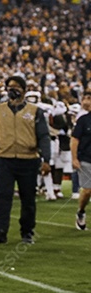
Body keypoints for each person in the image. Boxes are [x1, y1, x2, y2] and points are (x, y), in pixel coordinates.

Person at [0, 75, 51, 244]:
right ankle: (1, 230)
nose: (12, 89)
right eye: (10, 86)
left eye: (16, 87)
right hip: (4, 159)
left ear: (24, 91)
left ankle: (27, 231)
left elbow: (44, 136)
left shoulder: (35, 111)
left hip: (28, 159)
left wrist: (46, 159)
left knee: (28, 198)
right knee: (3, 196)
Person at [71, 92, 91, 230]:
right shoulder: (84, 120)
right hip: (86, 158)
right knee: (88, 190)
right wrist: (74, 158)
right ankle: (81, 211)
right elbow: (74, 139)